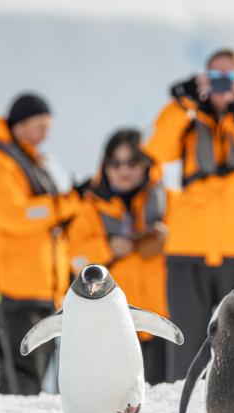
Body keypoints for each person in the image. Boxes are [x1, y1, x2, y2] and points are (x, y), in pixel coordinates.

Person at [143, 48, 234, 382]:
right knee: (185, 344)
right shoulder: (188, 121)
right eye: (214, 77)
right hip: (188, 248)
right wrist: (182, 104)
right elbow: (155, 151)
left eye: (229, 78)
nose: (221, 86)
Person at [0, 93, 79, 395]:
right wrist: (64, 205)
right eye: (39, 125)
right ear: (19, 124)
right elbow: (13, 215)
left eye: (48, 126)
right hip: (15, 286)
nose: (45, 134)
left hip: (42, 285)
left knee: (31, 374)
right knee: (21, 376)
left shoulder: (31, 160)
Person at [67, 128, 168, 384]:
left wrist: (168, 240)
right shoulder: (88, 208)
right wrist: (107, 250)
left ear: (146, 164)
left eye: (132, 162)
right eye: (115, 162)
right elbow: (74, 259)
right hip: (111, 330)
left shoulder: (170, 202)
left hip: (163, 326)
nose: (124, 170)